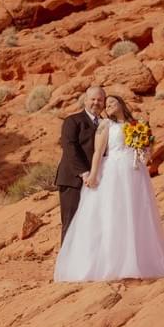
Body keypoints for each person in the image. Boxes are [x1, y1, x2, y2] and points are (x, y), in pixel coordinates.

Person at [53, 95, 164, 282]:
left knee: (135, 213)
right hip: (113, 171)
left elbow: (145, 150)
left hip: (134, 173)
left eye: (112, 102)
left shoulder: (136, 124)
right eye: (107, 104)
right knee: (112, 213)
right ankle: (109, 264)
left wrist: (145, 150)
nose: (108, 106)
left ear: (121, 104)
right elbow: (98, 151)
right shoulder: (105, 125)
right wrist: (93, 174)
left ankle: (137, 261)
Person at [55, 85, 105, 243]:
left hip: (96, 182)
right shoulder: (73, 121)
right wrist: (84, 173)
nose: (96, 102)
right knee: (71, 224)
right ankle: (66, 266)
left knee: (92, 225)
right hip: (73, 181)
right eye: (93, 99)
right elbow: (70, 148)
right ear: (85, 100)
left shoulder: (105, 124)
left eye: (100, 100)